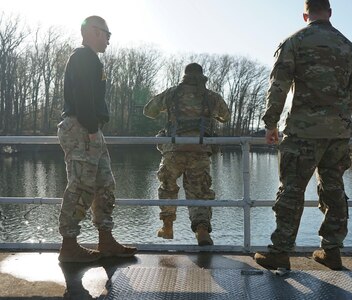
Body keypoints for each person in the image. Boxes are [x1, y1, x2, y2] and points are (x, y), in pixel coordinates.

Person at [254, 0, 352, 271]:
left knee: (291, 190)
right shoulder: (349, 48)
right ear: (330, 13)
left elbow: (279, 86)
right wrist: (341, 126)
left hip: (304, 131)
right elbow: (351, 97)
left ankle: (280, 252)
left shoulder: (295, 42)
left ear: (305, 15)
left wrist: (271, 124)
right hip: (338, 134)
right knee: (334, 189)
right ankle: (332, 251)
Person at [57, 16, 137, 263]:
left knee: (104, 184)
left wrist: (95, 129)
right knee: (81, 184)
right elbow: (83, 95)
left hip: (91, 128)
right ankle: (69, 245)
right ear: (93, 32)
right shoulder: (83, 56)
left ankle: (106, 241)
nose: (109, 41)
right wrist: (91, 128)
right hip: (82, 128)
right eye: (107, 35)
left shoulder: (91, 59)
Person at [143, 63, 230, 246]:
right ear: (202, 75)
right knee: (200, 193)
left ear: (184, 75)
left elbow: (148, 111)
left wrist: (168, 108)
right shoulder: (210, 97)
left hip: (173, 151)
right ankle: (202, 231)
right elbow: (225, 116)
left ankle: (167, 226)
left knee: (167, 187)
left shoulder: (172, 93)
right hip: (199, 153)